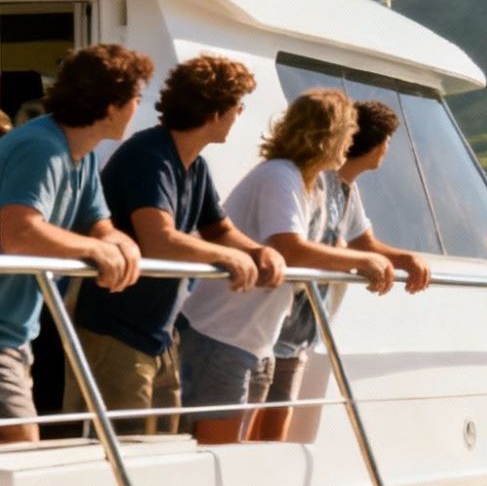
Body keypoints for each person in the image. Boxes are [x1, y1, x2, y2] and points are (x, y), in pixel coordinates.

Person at [66, 55, 286, 436]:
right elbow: (159, 240)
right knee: (125, 454)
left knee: (164, 454)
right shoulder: (148, 156)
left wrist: (258, 251)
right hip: (117, 333)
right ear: (216, 111)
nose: (239, 115)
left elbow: (219, 229)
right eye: (238, 107)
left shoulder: (194, 165)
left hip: (160, 336)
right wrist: (229, 257)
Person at [177, 89, 394, 444]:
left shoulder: (309, 183)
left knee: (242, 457)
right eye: (348, 132)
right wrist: (363, 260)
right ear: (330, 135)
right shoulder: (281, 175)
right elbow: (288, 248)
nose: (352, 142)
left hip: (254, 339)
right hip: (222, 333)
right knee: (218, 456)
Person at [252, 99, 433, 442]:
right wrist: (357, 260)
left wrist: (405, 260)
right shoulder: (314, 181)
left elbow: (365, 243)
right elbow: (300, 245)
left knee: (275, 428)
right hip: (276, 321)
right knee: (253, 425)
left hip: (300, 329)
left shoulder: (347, 189)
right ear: (378, 145)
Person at [0, 44, 149, 442]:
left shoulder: (78, 155)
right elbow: (18, 231)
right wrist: (94, 250)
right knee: (20, 460)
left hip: (14, 334)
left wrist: (120, 244)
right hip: (2, 337)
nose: (139, 107)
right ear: (112, 104)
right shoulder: (42, 149)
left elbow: (98, 222)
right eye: (136, 98)